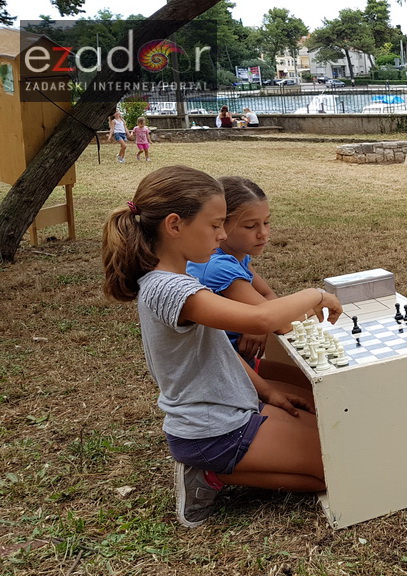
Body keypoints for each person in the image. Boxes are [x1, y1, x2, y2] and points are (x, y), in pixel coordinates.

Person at [101, 165, 342, 528]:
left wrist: (266, 391)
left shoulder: (177, 277)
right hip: (211, 430)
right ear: (174, 225)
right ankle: (210, 474)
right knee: (341, 469)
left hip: (232, 410)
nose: (222, 234)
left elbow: (218, 349)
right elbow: (263, 320)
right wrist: (317, 293)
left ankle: (231, 457)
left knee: (337, 450)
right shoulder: (170, 288)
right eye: (215, 225)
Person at [186, 176, 309, 389]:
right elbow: (281, 321)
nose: (263, 233)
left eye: (267, 222)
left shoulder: (236, 255)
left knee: (316, 387)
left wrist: (259, 325)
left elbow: (269, 299)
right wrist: (315, 298)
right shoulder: (218, 267)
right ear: (221, 226)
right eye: (251, 226)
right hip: (224, 378)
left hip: (243, 365)